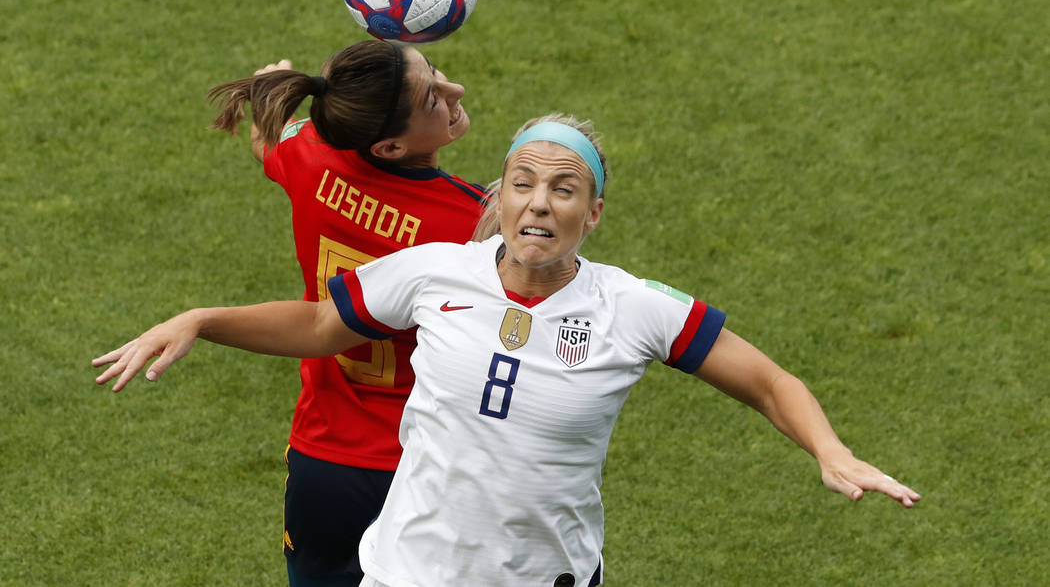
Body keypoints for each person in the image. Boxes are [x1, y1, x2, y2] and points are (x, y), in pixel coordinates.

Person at [94, 114, 921, 587]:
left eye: (564, 189)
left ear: (593, 214)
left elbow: (769, 381)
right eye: (524, 182)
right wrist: (203, 317)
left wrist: (829, 449)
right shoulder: (432, 273)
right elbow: (318, 326)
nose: (540, 203)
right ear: (500, 195)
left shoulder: (630, 307)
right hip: (407, 573)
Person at [206, 39, 486, 586]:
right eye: (432, 97)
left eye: (434, 72)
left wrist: (273, 87)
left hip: (324, 463)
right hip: (423, 470)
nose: (454, 91)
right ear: (387, 147)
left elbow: (270, 140)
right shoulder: (472, 228)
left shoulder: (311, 158)